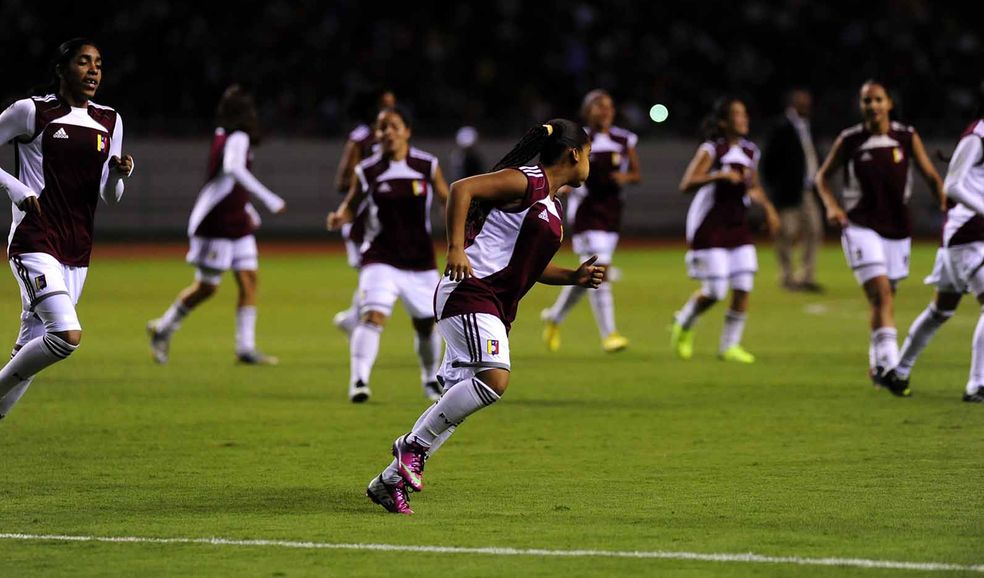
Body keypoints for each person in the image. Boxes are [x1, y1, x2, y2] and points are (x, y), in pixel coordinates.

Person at [364, 119, 604, 514]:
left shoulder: (552, 206)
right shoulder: (529, 181)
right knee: (495, 378)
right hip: (469, 292)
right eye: (590, 154)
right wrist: (455, 247)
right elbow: (463, 189)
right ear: (574, 153)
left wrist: (573, 276)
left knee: (453, 408)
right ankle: (411, 447)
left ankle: (388, 482)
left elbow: (527, 265)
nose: (589, 162)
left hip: (489, 303)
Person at [0, 39, 133, 420]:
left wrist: (118, 175)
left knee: (31, 345)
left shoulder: (110, 120)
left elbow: (112, 196)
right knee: (65, 335)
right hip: (34, 239)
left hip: (77, 249)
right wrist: (15, 187)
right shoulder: (33, 112)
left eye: (99, 64)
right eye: (83, 62)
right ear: (61, 69)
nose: (93, 71)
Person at [815, 80, 945, 384]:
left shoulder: (906, 136)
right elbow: (822, 178)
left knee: (885, 297)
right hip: (860, 227)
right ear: (860, 106)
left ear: (888, 104)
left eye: (877, 100)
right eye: (866, 101)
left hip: (898, 229)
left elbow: (931, 176)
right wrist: (832, 207)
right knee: (882, 292)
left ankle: (876, 364)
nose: (872, 106)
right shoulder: (849, 140)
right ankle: (890, 366)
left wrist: (945, 206)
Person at [147, 85, 285, 365]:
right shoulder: (237, 137)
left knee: (249, 279)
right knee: (208, 287)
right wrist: (268, 199)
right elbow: (234, 170)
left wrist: (248, 208)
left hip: (236, 220)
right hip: (217, 222)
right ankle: (163, 329)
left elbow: (227, 182)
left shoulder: (224, 135)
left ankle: (245, 348)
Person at [327, 107, 450, 403]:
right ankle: (359, 380)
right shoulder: (367, 169)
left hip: (420, 261)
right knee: (373, 315)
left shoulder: (426, 165)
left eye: (394, 126)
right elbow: (351, 203)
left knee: (426, 324)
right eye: (382, 128)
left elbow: (447, 200)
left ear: (407, 131)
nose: (388, 133)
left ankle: (428, 380)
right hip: (380, 257)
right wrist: (340, 216)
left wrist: (462, 234)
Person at [879, 98, 984, 402]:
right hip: (969, 233)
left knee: (941, 310)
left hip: (968, 234)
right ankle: (977, 384)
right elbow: (952, 186)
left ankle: (898, 372)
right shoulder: (978, 133)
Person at [670, 97, 780, 363]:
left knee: (744, 285)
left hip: (737, 224)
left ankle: (730, 345)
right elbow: (687, 183)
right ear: (723, 122)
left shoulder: (751, 151)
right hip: (710, 225)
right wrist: (718, 175)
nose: (744, 119)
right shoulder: (712, 150)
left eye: (745, 114)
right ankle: (683, 322)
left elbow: (752, 186)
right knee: (716, 291)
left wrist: (768, 209)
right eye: (737, 115)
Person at [541, 90, 640, 353]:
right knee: (601, 269)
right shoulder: (578, 139)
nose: (605, 110)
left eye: (608, 106)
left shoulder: (624, 138)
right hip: (586, 212)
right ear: (587, 111)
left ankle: (554, 317)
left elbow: (635, 173)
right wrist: (562, 187)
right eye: (598, 106)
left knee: (587, 276)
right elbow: (563, 169)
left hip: (611, 213)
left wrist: (626, 178)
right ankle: (610, 334)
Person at [331, 90, 397, 337]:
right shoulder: (361, 139)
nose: (392, 110)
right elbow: (342, 181)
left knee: (376, 272)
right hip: (362, 219)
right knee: (374, 272)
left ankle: (353, 319)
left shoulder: (395, 138)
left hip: (385, 219)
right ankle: (358, 324)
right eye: (386, 105)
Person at [760, 88, 823, 292]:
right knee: (786, 233)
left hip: (808, 190)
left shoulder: (809, 127)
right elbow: (768, 162)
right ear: (793, 104)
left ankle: (805, 276)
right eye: (803, 103)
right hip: (786, 192)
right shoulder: (781, 127)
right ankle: (787, 277)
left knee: (814, 230)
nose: (808, 106)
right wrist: (775, 189)